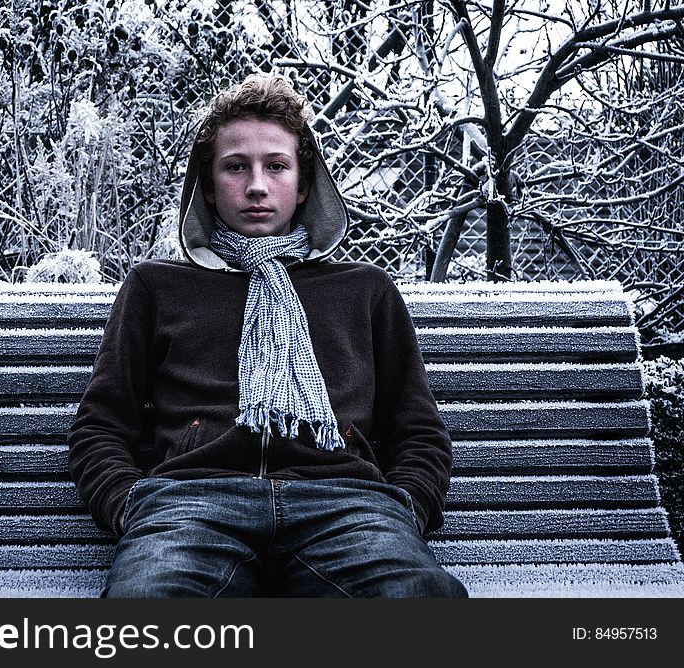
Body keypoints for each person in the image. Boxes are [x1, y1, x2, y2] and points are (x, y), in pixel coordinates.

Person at [68, 74, 468, 598]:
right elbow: (100, 425)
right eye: (236, 167)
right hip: (193, 503)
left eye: (276, 166)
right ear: (208, 186)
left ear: (303, 185)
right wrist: (129, 504)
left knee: (420, 603)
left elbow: (417, 430)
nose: (256, 185)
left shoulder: (363, 289)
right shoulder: (157, 286)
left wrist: (407, 506)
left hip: (345, 504)